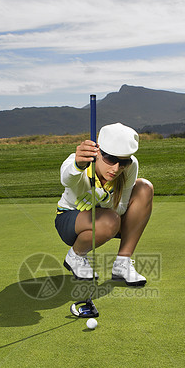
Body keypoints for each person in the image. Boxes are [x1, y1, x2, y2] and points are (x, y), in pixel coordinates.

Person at [55, 122, 153, 286]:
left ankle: (122, 263)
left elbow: (121, 208)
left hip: (110, 218)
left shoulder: (131, 166)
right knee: (110, 220)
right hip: (70, 220)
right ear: (98, 152)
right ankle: (76, 256)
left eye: (123, 162)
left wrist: (103, 196)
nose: (116, 168)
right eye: (110, 159)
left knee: (144, 187)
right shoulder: (78, 161)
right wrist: (78, 165)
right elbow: (66, 178)